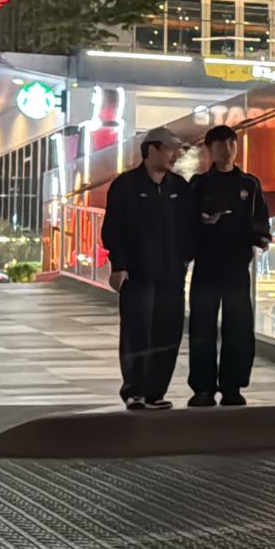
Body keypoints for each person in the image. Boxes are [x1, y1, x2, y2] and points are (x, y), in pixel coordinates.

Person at [101, 126, 196, 411]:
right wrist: (119, 265)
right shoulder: (126, 186)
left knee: (168, 332)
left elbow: (189, 228)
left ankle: (156, 391)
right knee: (136, 331)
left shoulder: (179, 187)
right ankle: (134, 391)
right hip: (138, 274)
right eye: (169, 149)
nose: (174, 155)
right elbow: (113, 229)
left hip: (171, 275)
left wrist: (184, 260)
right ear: (151, 149)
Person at [187, 125, 271, 407]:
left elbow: (261, 219)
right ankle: (203, 388)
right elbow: (184, 222)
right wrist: (202, 223)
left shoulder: (249, 184)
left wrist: (260, 237)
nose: (226, 149)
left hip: (237, 265)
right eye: (219, 144)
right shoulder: (198, 184)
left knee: (238, 326)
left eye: (230, 143)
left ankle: (233, 386)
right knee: (202, 326)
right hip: (206, 264)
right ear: (209, 149)